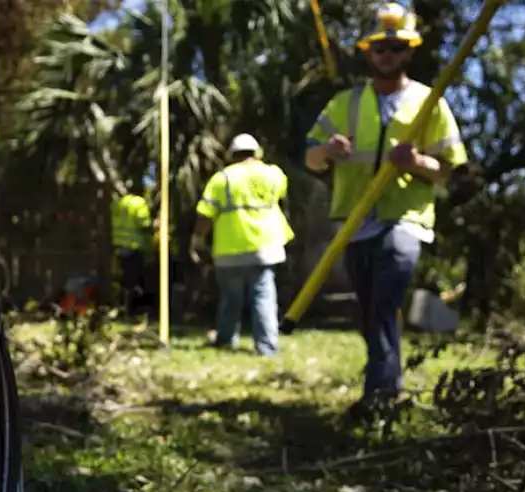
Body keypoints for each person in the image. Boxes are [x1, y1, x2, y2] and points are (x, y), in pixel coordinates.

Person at [304, 2, 469, 416]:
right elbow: (310, 158)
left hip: (405, 219)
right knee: (371, 307)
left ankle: (379, 393)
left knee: (385, 295)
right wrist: (328, 150)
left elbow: (448, 171)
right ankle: (387, 379)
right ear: (368, 52)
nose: (387, 55)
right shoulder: (345, 103)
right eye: (380, 48)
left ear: (409, 51)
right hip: (355, 221)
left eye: (396, 48)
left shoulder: (429, 103)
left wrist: (415, 163)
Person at [193, 133, 293, 355]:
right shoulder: (273, 174)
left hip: (230, 249)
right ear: (256, 153)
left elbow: (205, 215)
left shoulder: (222, 179)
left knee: (230, 298)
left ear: (231, 155)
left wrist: (198, 240)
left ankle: (226, 340)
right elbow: (281, 194)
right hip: (265, 246)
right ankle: (267, 347)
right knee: (264, 296)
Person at [110, 188, 152, 315]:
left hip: (118, 244)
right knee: (135, 279)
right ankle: (133, 309)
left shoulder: (118, 203)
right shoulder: (139, 203)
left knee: (123, 278)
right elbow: (144, 224)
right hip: (134, 245)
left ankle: (121, 307)